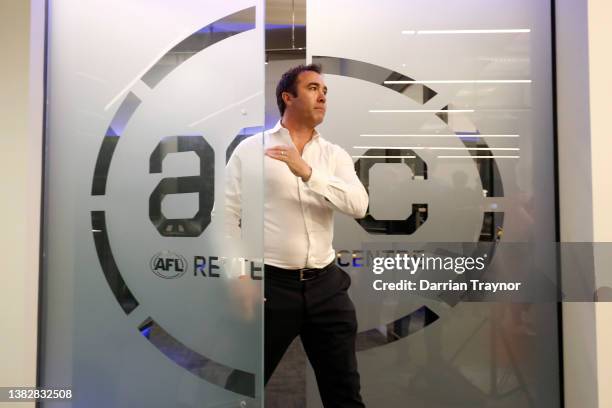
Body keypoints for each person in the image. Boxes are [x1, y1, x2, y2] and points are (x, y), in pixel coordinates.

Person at [225, 64, 368, 407]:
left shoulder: (334, 155)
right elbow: (227, 216)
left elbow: (359, 205)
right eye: (313, 88)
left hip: (327, 287)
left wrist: (307, 172)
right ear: (287, 97)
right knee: (244, 386)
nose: (322, 96)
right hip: (272, 287)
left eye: (325, 91)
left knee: (344, 391)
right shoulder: (251, 149)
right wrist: (239, 275)